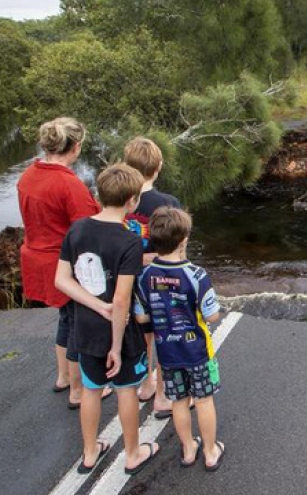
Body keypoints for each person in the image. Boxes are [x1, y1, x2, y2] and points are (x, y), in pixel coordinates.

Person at [55, 163, 159, 475]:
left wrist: (93, 306)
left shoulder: (77, 229)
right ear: (132, 201)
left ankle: (89, 452)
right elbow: (121, 300)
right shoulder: (128, 241)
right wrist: (115, 344)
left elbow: (62, 279)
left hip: (84, 328)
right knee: (126, 389)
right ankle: (132, 453)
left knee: (91, 388)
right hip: (119, 332)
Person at [17, 117, 107, 408]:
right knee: (78, 322)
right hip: (64, 264)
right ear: (75, 147)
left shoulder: (28, 175)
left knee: (66, 319)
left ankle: (63, 377)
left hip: (37, 257)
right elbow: (85, 230)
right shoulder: (68, 184)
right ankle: (78, 389)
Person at [134, 207, 225, 471]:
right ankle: (210, 451)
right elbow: (212, 316)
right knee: (205, 400)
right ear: (184, 239)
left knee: (178, 401)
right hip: (197, 351)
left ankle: (188, 448)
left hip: (167, 354)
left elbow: (141, 318)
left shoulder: (145, 277)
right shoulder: (196, 275)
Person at [121, 137, 182, 418]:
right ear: (158, 167)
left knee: (142, 333)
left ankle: (145, 384)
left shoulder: (120, 202)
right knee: (163, 334)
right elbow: (177, 246)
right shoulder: (167, 202)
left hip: (129, 282)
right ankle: (162, 395)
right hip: (159, 282)